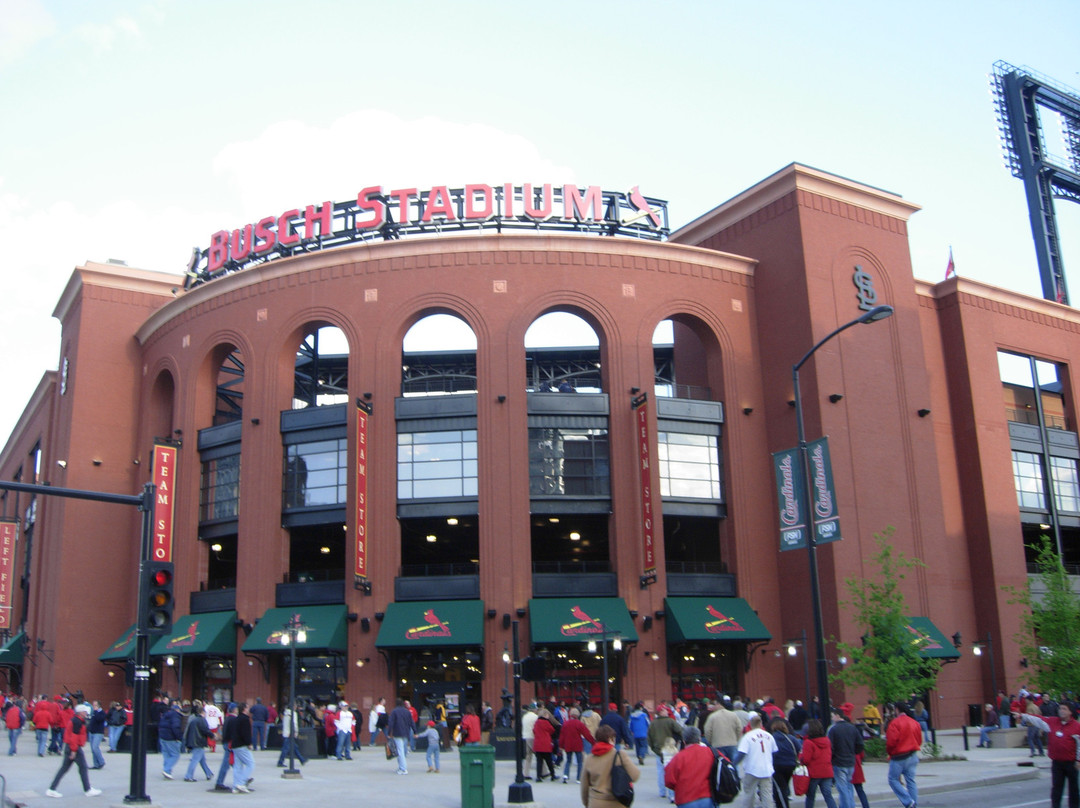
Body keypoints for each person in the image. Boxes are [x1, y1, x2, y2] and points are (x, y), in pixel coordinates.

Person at [1016, 702, 1080, 808]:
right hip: (1057, 762)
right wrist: (1023, 716)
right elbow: (1038, 720)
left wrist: (1078, 760)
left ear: (1070, 712)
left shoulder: (1076, 727)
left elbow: (1079, 745)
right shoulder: (1053, 722)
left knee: (1073, 788)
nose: (1061, 711)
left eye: (1064, 709)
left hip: (1071, 763)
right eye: (1060, 708)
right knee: (1056, 788)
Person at [45, 703, 102, 798]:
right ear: (81, 712)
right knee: (82, 768)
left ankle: (52, 789)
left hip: (70, 746)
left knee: (64, 768)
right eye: (84, 711)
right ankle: (87, 789)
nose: (86, 713)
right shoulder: (78, 722)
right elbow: (74, 736)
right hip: (74, 748)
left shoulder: (76, 720)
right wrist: (74, 750)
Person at [583, 724, 641, 808]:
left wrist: (587, 803)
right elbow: (635, 776)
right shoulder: (620, 756)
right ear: (610, 739)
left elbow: (584, 786)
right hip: (617, 802)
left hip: (596, 802)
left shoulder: (589, 759)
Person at [734, 713, 777, 808]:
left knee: (749, 794)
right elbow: (774, 751)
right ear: (761, 724)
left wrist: (733, 764)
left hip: (751, 769)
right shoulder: (769, 736)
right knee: (767, 794)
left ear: (750, 724)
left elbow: (741, 753)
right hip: (766, 768)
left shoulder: (748, 737)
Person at [663, 725, 712, 808]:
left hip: (686, 799)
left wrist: (679, 788)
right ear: (699, 739)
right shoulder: (711, 753)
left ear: (684, 741)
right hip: (708, 798)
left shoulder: (679, 757)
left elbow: (669, 780)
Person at [885, 702, 922, 808]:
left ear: (897, 710)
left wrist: (890, 753)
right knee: (910, 780)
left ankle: (908, 801)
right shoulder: (914, 722)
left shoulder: (895, 723)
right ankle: (913, 803)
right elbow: (919, 740)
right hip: (912, 754)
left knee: (893, 779)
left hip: (899, 756)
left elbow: (891, 742)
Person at [827, 706, 863, 808]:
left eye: (833, 716)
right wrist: (853, 753)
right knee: (848, 786)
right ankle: (850, 805)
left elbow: (831, 747)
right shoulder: (852, 728)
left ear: (837, 716)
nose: (832, 718)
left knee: (842, 788)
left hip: (839, 762)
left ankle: (846, 806)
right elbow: (860, 744)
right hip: (850, 761)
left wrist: (832, 758)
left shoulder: (833, 729)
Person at [799, 719, 837, 808]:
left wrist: (801, 757)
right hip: (827, 771)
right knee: (828, 796)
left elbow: (806, 760)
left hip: (814, 773)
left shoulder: (808, 742)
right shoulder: (827, 740)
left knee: (811, 796)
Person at [648, 703, 682, 799]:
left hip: (658, 750)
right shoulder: (670, 721)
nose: (667, 711)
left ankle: (662, 792)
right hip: (670, 749)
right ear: (662, 711)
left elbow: (649, 737)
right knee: (671, 772)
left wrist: (654, 748)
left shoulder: (653, 723)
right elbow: (680, 730)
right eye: (665, 710)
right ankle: (671, 794)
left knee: (660, 772)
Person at [771, 717, 802, 808]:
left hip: (776, 765)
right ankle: (783, 803)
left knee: (779, 787)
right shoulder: (791, 738)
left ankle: (782, 805)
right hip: (790, 764)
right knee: (784, 785)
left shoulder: (772, 738)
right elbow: (799, 748)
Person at [560, 706, 596, 784]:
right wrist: (593, 742)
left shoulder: (566, 724)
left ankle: (565, 776)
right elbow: (587, 734)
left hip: (568, 744)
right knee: (580, 762)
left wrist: (561, 746)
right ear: (577, 715)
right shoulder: (579, 723)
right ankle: (578, 778)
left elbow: (562, 736)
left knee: (568, 761)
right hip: (577, 744)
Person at [704, 697, 743, 762]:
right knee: (734, 765)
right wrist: (736, 739)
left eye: (715, 705)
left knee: (721, 766)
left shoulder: (712, 717)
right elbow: (739, 728)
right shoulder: (733, 715)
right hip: (732, 744)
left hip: (718, 744)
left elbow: (707, 731)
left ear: (718, 704)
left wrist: (711, 741)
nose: (714, 707)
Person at [182, 701, 214, 781]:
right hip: (199, 742)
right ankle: (188, 776)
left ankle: (208, 773)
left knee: (202, 760)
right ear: (202, 712)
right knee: (195, 760)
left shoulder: (193, 720)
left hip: (193, 742)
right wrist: (212, 736)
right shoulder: (202, 720)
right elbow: (205, 730)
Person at [214, 703, 238, 793]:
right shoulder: (233, 719)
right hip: (229, 743)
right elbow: (233, 733)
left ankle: (242, 778)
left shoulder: (227, 718)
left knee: (233, 762)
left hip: (226, 742)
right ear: (235, 710)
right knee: (227, 763)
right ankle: (219, 782)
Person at [230, 702, 254, 794]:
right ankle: (242, 783)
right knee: (250, 763)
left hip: (235, 745)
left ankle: (235, 786)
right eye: (247, 707)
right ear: (244, 709)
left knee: (238, 766)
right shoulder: (245, 719)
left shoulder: (236, 719)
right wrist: (249, 743)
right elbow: (246, 733)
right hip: (242, 745)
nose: (249, 709)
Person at [277, 699, 308, 768]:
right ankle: (280, 762)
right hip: (290, 733)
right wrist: (295, 732)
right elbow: (294, 724)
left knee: (294, 747)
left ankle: (302, 759)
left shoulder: (286, 713)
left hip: (286, 732)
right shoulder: (293, 714)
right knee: (286, 748)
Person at [387, 697, 413, 774]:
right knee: (403, 751)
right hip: (406, 733)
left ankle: (403, 768)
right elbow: (412, 722)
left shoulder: (394, 711)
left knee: (400, 751)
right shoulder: (407, 712)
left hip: (397, 733)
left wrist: (389, 733)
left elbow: (391, 723)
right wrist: (414, 731)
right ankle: (401, 767)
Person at [158, 700, 183, 780]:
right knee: (175, 754)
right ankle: (166, 769)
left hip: (162, 736)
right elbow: (176, 727)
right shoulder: (176, 716)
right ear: (177, 710)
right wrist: (179, 737)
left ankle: (167, 770)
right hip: (170, 737)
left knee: (166, 754)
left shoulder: (165, 715)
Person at [533, 705, 558, 781]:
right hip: (545, 744)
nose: (548, 716)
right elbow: (552, 730)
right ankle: (553, 775)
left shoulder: (537, 722)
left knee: (539, 762)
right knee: (549, 761)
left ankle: (538, 777)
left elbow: (534, 731)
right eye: (547, 715)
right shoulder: (546, 722)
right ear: (545, 715)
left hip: (537, 744)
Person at [85, 701, 106, 770]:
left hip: (98, 732)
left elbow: (99, 719)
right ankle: (96, 764)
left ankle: (101, 761)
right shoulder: (94, 712)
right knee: (92, 749)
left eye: (95, 705)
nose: (94, 706)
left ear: (99, 706)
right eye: (93, 705)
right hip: (92, 732)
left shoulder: (101, 712)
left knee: (95, 747)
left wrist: (96, 711)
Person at [522, 702, 539, 776]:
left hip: (526, 736)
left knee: (528, 756)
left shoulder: (525, 716)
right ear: (534, 710)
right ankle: (544, 771)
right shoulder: (535, 717)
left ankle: (525, 773)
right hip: (532, 737)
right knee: (539, 754)